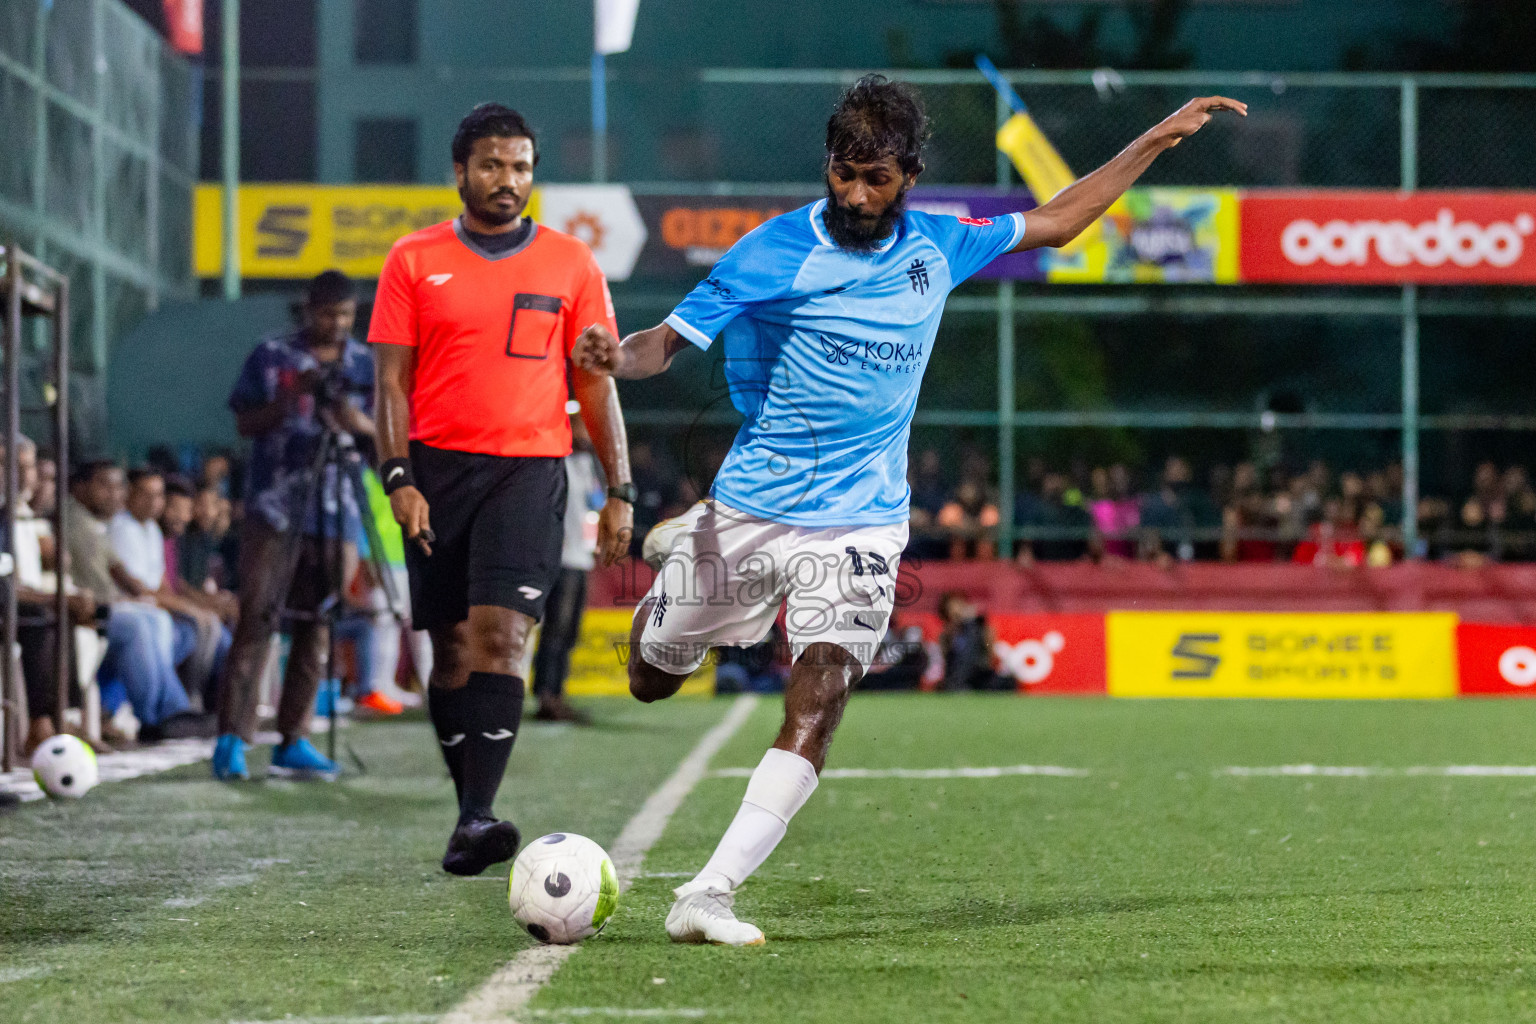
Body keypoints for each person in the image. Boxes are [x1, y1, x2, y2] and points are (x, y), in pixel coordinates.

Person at [573, 74, 1244, 945]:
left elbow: (1057, 219)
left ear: (911, 174)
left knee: (823, 692)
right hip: (750, 511)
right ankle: (676, 580)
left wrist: (1152, 139)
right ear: (828, 165)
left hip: (864, 522)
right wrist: (613, 358)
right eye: (843, 175)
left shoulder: (940, 244)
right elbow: (663, 343)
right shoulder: (772, 251)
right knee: (651, 677)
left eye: (876, 179)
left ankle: (709, 894)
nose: (855, 194)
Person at [370, 103, 635, 877]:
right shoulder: (413, 259)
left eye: (520, 166)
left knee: (502, 636)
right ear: (460, 172)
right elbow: (390, 382)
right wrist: (398, 479)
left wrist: (619, 488)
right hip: (435, 470)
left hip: (530, 470)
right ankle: (469, 815)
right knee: (448, 649)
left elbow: (597, 383)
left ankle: (479, 814)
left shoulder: (571, 264)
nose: (507, 180)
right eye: (491, 165)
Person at [212, 269, 375, 781]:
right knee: (258, 616)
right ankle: (231, 740)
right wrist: (289, 400)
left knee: (318, 622)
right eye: (329, 314)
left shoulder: (363, 363)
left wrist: (356, 422)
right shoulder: (273, 355)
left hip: (335, 509)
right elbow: (244, 424)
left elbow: (380, 441)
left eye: (346, 315)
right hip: (274, 510)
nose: (337, 324)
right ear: (308, 309)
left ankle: (294, 738)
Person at [64, 461, 204, 742]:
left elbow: (123, 575)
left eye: (119, 487)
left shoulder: (96, 523)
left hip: (106, 606)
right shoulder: (74, 521)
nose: (115, 494)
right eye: (105, 485)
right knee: (139, 625)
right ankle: (156, 716)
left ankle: (162, 710)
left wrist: (144, 597)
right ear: (79, 488)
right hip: (82, 609)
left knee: (159, 621)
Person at [109, 467, 232, 712]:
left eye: (159, 495)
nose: (154, 502)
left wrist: (193, 607)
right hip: (129, 609)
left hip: (154, 610)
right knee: (158, 626)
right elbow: (138, 589)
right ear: (129, 494)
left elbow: (163, 583)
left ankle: (202, 705)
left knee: (206, 631)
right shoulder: (121, 527)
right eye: (146, 494)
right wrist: (189, 608)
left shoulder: (152, 529)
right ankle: (166, 711)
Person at [530, 406, 607, 723]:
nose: (584, 433)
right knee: (555, 629)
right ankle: (546, 695)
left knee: (569, 630)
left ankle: (556, 692)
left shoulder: (587, 464)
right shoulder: (554, 460)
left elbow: (596, 503)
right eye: (578, 426)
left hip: (580, 557)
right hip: (559, 557)